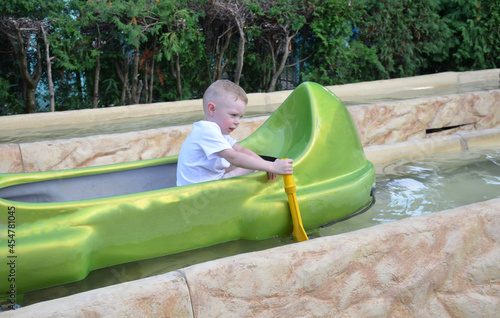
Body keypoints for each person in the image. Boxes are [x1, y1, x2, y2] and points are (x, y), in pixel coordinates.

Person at [176, 80, 293, 186]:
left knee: (253, 163)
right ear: (212, 109)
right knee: (252, 167)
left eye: (240, 117)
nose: (237, 122)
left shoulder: (217, 132)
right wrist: (272, 166)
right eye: (233, 115)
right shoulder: (207, 131)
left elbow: (242, 150)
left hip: (204, 186)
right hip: (197, 192)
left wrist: (266, 165)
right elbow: (234, 157)